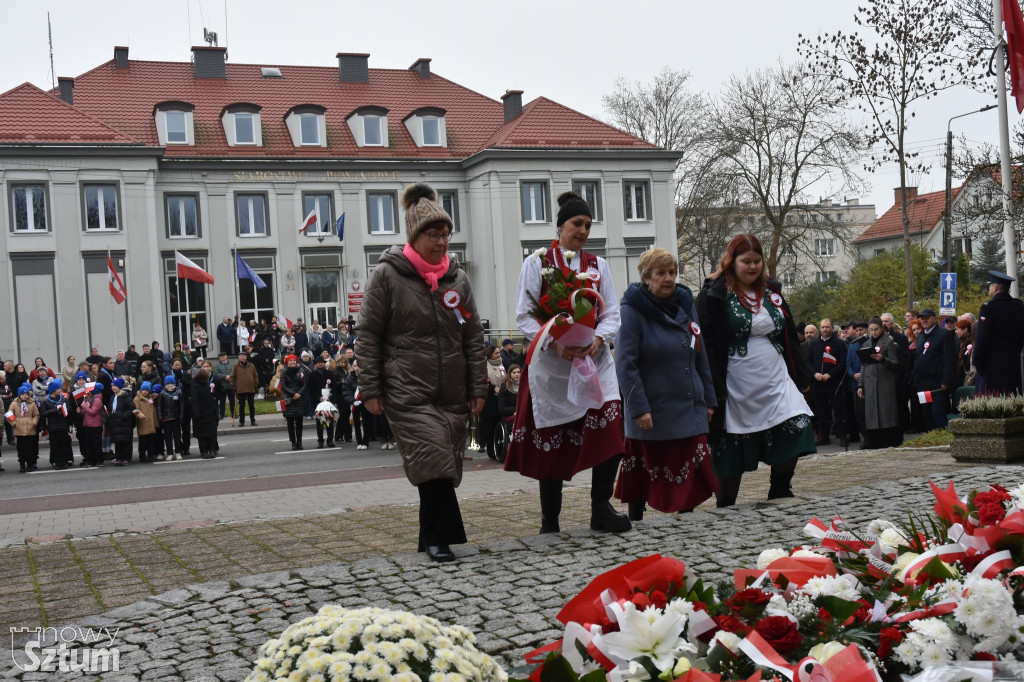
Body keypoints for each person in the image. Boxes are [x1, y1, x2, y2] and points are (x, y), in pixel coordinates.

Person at [356, 182, 487, 562]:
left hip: (452, 390)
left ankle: (427, 537)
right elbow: (368, 335)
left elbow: (472, 333)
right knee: (432, 458)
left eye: (446, 234)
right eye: (434, 234)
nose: (442, 241)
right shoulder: (387, 276)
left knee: (443, 459)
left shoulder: (457, 280)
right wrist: (371, 387)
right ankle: (440, 540)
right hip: (405, 387)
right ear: (415, 235)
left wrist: (478, 385)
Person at [505, 190, 631, 535]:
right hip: (553, 366)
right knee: (555, 442)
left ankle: (600, 509)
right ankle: (550, 520)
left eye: (589, 225)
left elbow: (612, 312)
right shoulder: (537, 262)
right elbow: (524, 316)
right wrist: (555, 340)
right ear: (560, 226)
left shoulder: (598, 265)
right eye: (578, 223)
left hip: (594, 362)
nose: (584, 230)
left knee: (610, 430)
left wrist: (599, 338)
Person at [695, 234, 815, 507]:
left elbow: (788, 334)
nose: (752, 267)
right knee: (731, 440)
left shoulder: (772, 292)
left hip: (775, 375)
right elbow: (707, 345)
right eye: (745, 261)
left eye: (757, 261)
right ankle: (726, 502)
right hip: (736, 379)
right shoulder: (715, 295)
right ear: (731, 261)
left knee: (797, 423)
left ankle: (780, 489)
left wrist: (801, 374)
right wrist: (713, 387)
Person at [613, 248, 718, 518]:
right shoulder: (631, 311)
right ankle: (636, 523)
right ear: (646, 277)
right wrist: (638, 408)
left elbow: (700, 355)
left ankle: (687, 520)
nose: (668, 278)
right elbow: (626, 364)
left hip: (688, 407)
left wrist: (708, 399)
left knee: (690, 471)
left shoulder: (686, 305)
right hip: (652, 409)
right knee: (644, 471)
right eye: (661, 273)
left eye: (672, 272)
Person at [973, 270, 1024, 396]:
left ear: (995, 288)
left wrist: (977, 363)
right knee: (1012, 403)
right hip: (1012, 364)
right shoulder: (1018, 306)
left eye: (990, 286)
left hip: (991, 368)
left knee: (991, 406)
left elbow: (982, 340)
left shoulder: (988, 308)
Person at [857, 317, 902, 449]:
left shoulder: (888, 343)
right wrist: (861, 384)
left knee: (885, 414)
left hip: (884, 383)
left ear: (881, 329)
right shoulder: (866, 344)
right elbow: (863, 366)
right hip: (870, 384)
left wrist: (883, 359)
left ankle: (889, 442)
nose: (873, 332)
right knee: (872, 415)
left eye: (876, 329)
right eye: (871, 330)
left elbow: (895, 363)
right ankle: (874, 442)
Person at [912, 308, 958, 430]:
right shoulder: (921, 336)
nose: (924, 320)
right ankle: (931, 437)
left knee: (937, 412)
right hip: (923, 383)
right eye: (922, 318)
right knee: (926, 413)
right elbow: (918, 358)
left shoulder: (944, 334)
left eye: (927, 318)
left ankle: (941, 437)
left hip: (937, 383)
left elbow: (949, 359)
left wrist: (946, 381)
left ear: (935, 318)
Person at [807, 319, 848, 446]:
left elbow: (842, 363)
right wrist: (815, 373)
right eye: (823, 327)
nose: (825, 329)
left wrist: (830, 374)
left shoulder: (840, 344)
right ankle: (824, 436)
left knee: (839, 411)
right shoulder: (813, 344)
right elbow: (808, 361)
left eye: (827, 327)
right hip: (818, 383)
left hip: (834, 382)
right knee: (821, 412)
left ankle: (842, 436)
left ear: (832, 328)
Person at [38, 379, 73, 470]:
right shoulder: (46, 401)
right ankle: (57, 462)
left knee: (64, 444)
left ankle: (64, 461)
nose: (60, 390)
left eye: (60, 389)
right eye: (58, 389)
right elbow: (43, 413)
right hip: (53, 427)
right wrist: (56, 410)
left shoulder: (64, 399)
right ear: (53, 390)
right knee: (55, 445)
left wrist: (64, 410)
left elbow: (69, 409)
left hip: (63, 426)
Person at [478, 345, 505, 460]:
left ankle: (500, 450)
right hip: (489, 400)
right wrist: (493, 389)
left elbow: (506, 377)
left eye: (499, 352)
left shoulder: (502, 365)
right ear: (490, 355)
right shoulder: (484, 366)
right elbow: (482, 382)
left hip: (500, 398)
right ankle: (490, 451)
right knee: (489, 427)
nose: (499, 355)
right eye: (496, 353)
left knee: (499, 427)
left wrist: (503, 389)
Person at [190, 367, 218, 458]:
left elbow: (210, 399)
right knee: (202, 435)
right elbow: (195, 401)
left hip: (209, 412)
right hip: (200, 414)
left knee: (211, 434)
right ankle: (204, 451)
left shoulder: (206, 384)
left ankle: (211, 450)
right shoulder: (195, 386)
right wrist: (196, 414)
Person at [106, 378, 136, 465]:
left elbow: (132, 408)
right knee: (118, 442)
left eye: (115, 386)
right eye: (112, 386)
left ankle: (127, 458)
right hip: (115, 423)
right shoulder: (113, 397)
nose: (113, 387)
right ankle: (119, 457)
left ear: (119, 387)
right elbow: (110, 409)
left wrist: (124, 416)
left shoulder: (125, 396)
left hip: (124, 423)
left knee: (126, 442)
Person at [12, 383, 40, 473]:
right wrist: (14, 423)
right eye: (23, 394)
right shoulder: (14, 404)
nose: (25, 396)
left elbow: (36, 415)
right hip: (19, 429)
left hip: (30, 429)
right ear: (19, 395)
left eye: (26, 394)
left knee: (30, 448)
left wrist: (34, 422)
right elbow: (9, 414)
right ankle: (22, 465)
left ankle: (30, 464)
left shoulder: (32, 403)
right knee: (21, 449)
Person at [157, 375, 185, 460]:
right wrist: (160, 417)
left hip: (176, 419)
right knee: (167, 437)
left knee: (177, 436)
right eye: (168, 383)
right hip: (166, 419)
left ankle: (178, 452)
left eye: (171, 383)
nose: (170, 385)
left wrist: (181, 416)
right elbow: (159, 406)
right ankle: (169, 453)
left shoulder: (179, 392)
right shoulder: (162, 393)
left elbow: (182, 406)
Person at [79, 383, 105, 468]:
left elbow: (93, 412)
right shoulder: (89, 398)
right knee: (88, 444)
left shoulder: (97, 400)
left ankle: (98, 460)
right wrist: (81, 410)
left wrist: (84, 406)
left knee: (96, 444)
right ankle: (89, 460)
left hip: (95, 425)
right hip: (87, 424)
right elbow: (87, 410)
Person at [134, 381, 158, 463]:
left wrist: (156, 422)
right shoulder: (137, 399)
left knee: (151, 441)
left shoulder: (151, 399)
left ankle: (151, 455)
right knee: (143, 442)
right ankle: (142, 455)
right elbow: (135, 410)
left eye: (147, 390)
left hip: (151, 424)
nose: (145, 391)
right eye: (143, 390)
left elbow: (154, 411)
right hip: (143, 423)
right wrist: (139, 414)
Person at [212, 352, 235, 421]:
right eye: (220, 356)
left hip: (231, 386)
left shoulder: (231, 365)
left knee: (232, 401)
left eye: (223, 356)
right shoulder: (217, 366)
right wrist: (225, 377)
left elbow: (233, 373)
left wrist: (230, 377)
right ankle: (221, 415)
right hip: (222, 386)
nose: (221, 357)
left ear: (226, 356)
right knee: (222, 401)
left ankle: (233, 414)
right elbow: (216, 374)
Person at [953, 317, 975, 389]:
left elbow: (973, 369)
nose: (955, 332)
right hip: (960, 382)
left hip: (968, 385)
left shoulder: (972, 344)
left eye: (957, 329)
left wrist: (966, 385)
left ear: (965, 330)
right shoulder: (961, 343)